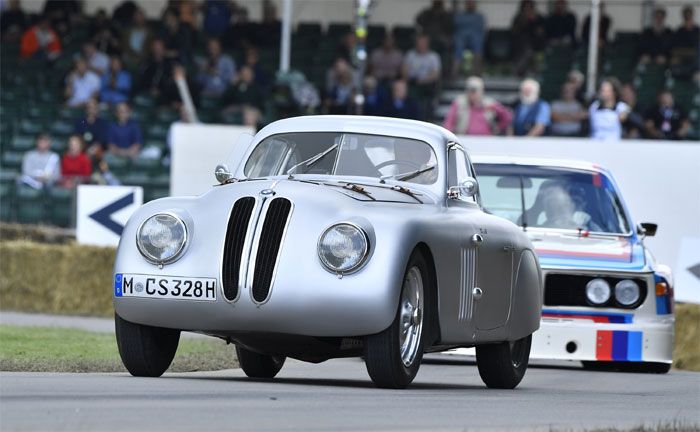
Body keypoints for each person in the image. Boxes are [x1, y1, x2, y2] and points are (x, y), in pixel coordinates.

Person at [443, 76, 512, 136]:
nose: (472, 93)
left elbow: (507, 118)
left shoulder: (490, 103)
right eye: (469, 90)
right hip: (464, 140)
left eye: (474, 90)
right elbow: (448, 123)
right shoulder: (459, 103)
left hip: (487, 142)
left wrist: (495, 108)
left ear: (482, 91)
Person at [402, 34, 441, 120]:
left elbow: (435, 74)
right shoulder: (410, 54)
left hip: (427, 85)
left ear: (427, 43)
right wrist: (409, 79)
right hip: (412, 84)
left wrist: (421, 80)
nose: (421, 44)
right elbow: (404, 70)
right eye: (419, 42)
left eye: (423, 42)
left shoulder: (433, 56)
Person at [510, 0, 546, 76]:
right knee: (527, 50)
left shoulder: (539, 18)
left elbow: (542, 32)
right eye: (526, 7)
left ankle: (520, 70)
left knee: (530, 53)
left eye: (530, 7)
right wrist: (524, 21)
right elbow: (514, 32)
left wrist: (533, 21)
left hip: (536, 45)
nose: (528, 9)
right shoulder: (518, 18)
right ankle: (526, 71)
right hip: (520, 46)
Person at [137, 39, 178, 106]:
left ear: (164, 49)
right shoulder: (147, 63)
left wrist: (160, 91)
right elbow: (142, 80)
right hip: (147, 91)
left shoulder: (169, 64)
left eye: (159, 48)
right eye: (155, 48)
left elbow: (171, 82)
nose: (157, 50)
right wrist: (150, 89)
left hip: (164, 94)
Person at [452, 0, 485, 77]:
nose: (470, 4)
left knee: (477, 42)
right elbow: (456, 26)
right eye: (468, 3)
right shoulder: (459, 15)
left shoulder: (479, 16)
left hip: (474, 39)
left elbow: (480, 29)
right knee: (458, 44)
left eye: (472, 2)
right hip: (461, 39)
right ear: (465, 4)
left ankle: (476, 73)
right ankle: (455, 71)